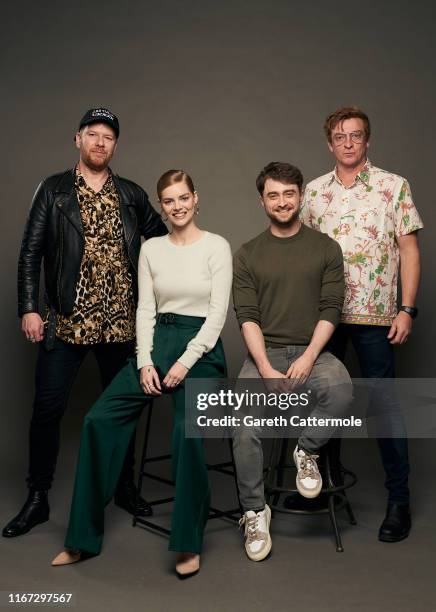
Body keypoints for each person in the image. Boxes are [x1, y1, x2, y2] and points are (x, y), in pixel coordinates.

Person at [50, 169, 232, 577]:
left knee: (188, 430)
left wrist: (185, 361)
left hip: (200, 350)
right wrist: (146, 360)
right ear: (161, 206)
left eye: (183, 197)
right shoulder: (152, 250)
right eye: (168, 201)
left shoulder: (216, 247)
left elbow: (218, 314)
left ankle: (188, 543)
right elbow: (145, 309)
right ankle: (81, 538)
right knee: (98, 419)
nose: (177, 206)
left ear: (196, 199)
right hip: (157, 341)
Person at [3, 108, 167, 539]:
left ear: (115, 146)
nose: (99, 143)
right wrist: (29, 307)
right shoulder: (53, 191)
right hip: (67, 323)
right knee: (47, 409)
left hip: (121, 327)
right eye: (92, 135)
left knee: (125, 410)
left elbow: (165, 241)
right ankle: (37, 497)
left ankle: (125, 486)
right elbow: (30, 251)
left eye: (107, 137)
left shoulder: (130, 194)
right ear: (77, 139)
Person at [300, 106, 423, 542]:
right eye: (339, 136)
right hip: (326, 319)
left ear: (367, 141)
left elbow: (408, 250)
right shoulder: (313, 193)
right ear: (329, 143)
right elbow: (302, 254)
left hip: (376, 318)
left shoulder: (393, 186)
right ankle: (317, 490)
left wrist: (406, 308)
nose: (348, 142)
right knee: (323, 399)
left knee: (383, 407)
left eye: (355, 136)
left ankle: (399, 500)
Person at [232, 162, 353, 562]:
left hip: (312, 351)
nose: (281, 202)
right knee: (243, 420)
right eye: (273, 195)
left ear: (300, 196)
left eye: (288, 194)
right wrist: (265, 367)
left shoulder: (325, 248)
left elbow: (331, 308)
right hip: (264, 354)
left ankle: (306, 451)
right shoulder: (248, 254)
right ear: (262, 200)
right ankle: (254, 510)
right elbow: (246, 316)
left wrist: (308, 357)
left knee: (340, 388)